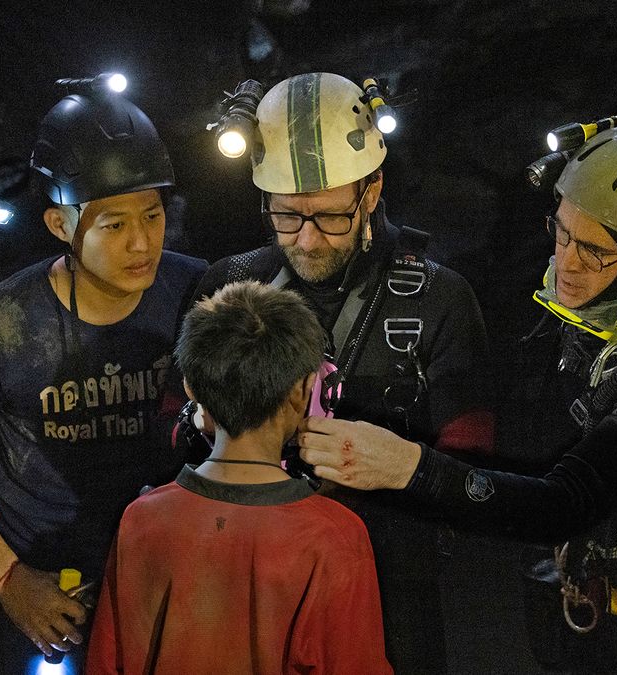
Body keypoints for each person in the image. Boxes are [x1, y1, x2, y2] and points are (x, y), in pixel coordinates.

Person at [298, 124, 617, 673]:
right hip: (604, 582)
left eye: (593, 250)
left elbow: (562, 502)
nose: (566, 265)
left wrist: (407, 468)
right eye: (560, 235)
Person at [187, 71, 493, 673]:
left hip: (389, 591)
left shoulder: (439, 300)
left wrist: (400, 469)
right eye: (286, 216)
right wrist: (214, 432)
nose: (307, 241)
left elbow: (476, 476)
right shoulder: (227, 288)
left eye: (330, 217)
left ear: (372, 190)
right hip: (252, 582)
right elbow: (169, 429)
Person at [0, 83, 207, 673]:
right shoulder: (4, 323)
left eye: (152, 216)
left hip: (168, 575)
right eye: (113, 224)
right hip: (40, 581)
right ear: (59, 223)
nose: (141, 242)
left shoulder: (198, 296)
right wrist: (8, 578)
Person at [87, 281, 391, 675]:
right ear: (303, 391)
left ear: (191, 388)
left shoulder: (140, 519)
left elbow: (105, 664)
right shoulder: (334, 536)